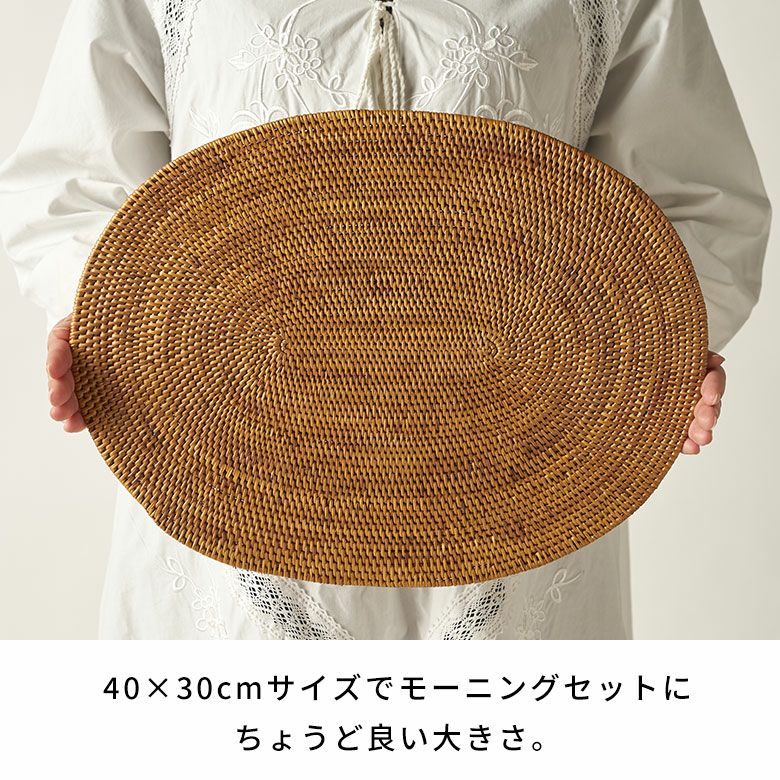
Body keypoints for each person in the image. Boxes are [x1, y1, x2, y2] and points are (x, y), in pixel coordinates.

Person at [0, 0, 770, 639]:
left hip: (525, 477)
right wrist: (108, 320)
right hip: (225, 469)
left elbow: (702, 202)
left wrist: (656, 348)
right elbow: (71, 185)